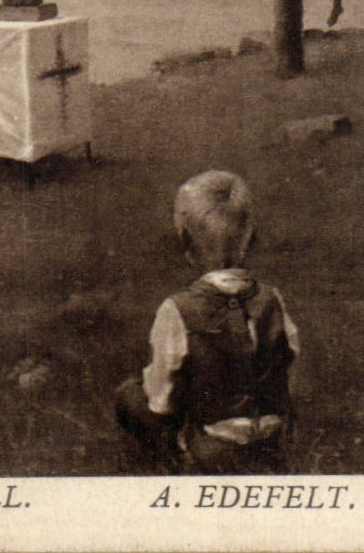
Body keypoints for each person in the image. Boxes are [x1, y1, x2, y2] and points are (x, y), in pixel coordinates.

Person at [116, 171, 299, 473]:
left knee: (129, 395)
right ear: (251, 238)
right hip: (269, 436)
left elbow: (160, 400)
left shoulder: (177, 310)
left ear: (185, 241)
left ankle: (176, 456)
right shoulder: (272, 300)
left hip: (212, 445)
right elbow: (289, 360)